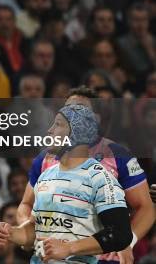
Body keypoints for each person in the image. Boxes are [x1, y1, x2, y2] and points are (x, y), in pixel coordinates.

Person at [16, 87, 155, 263]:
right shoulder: (45, 158)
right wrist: (27, 231)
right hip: (52, 256)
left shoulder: (117, 154)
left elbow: (146, 207)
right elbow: (26, 204)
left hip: (103, 257)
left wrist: (128, 242)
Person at [0, 104, 134, 263]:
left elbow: (121, 234)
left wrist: (69, 248)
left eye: (58, 124)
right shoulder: (46, 175)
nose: (49, 130)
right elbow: (35, 230)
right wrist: (11, 233)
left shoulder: (100, 178)